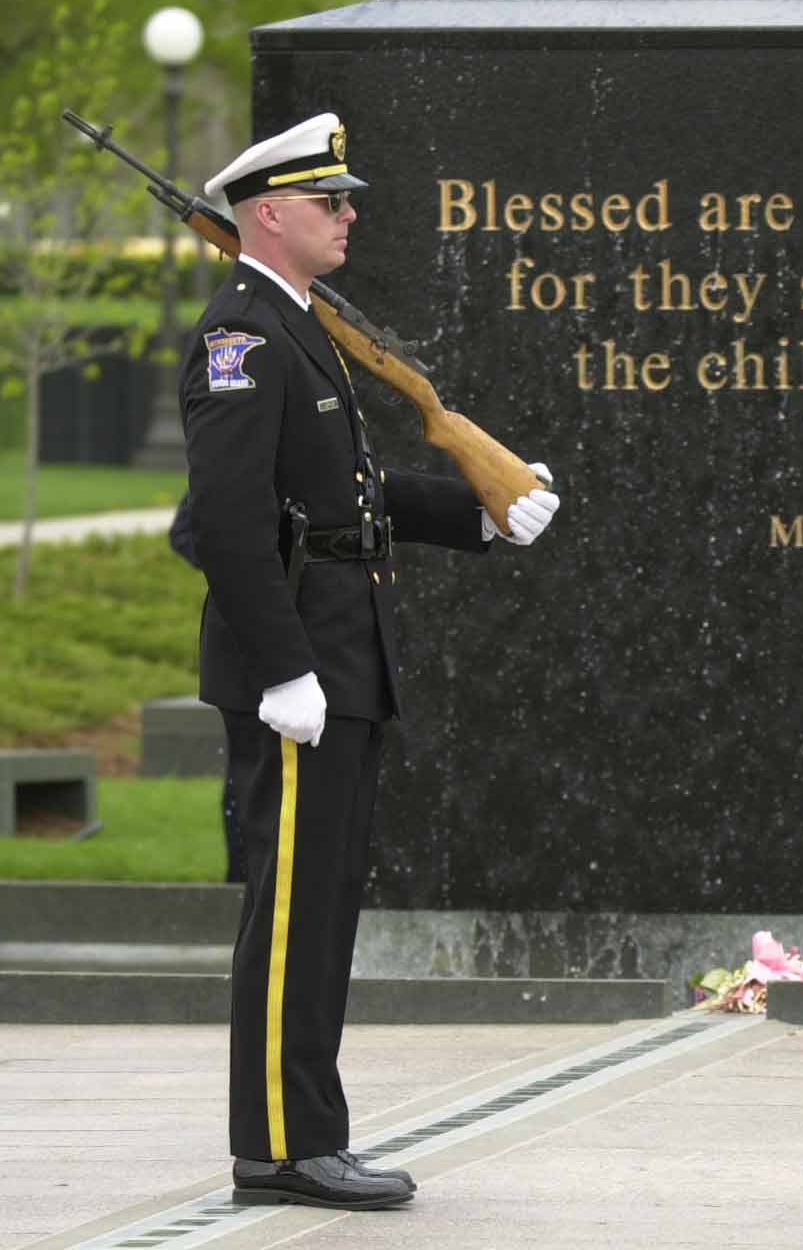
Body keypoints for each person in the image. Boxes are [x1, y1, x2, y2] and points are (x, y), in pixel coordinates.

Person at [179, 112, 560, 1209]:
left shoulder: (300, 327)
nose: (348, 216)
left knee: (323, 908)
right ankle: (281, 1149)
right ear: (267, 215)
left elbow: (347, 494)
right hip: (301, 669)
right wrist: (281, 667)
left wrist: (478, 509)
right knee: (291, 913)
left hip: (345, 657)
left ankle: (305, 1134)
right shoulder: (243, 338)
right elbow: (229, 522)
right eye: (328, 201)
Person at [168, 492, 248, 884]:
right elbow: (184, 531)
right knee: (246, 771)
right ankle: (241, 878)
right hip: (248, 638)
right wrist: (245, 570)